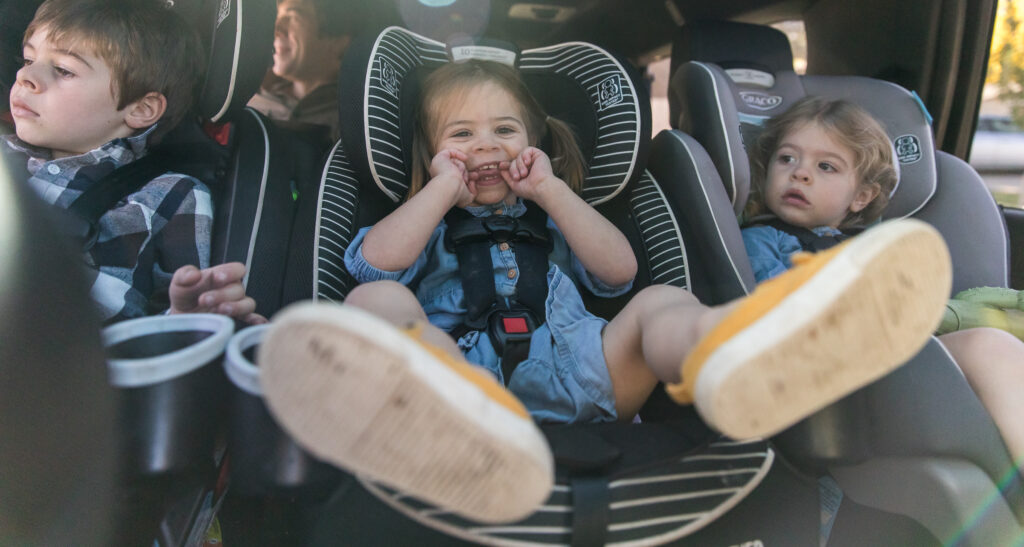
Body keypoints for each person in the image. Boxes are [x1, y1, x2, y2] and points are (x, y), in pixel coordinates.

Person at [259, 61, 951, 523]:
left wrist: (551, 190)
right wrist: (440, 187)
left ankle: (728, 358)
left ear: (535, 145)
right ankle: (452, 427)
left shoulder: (552, 210)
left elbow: (619, 273)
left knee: (655, 308)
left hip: (586, 371)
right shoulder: (422, 221)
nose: (486, 147)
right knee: (373, 307)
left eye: (505, 131)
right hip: (464, 382)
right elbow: (375, 268)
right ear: (433, 152)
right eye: (461, 136)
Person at [742, 95, 1024, 466]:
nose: (800, 173)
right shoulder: (763, 240)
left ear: (861, 196)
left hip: (899, 359)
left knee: (993, 346)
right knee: (987, 346)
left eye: (826, 166)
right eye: (787, 158)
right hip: (842, 375)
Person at [3, 0, 263, 325]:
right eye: (28, 59)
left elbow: (169, 319)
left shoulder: (170, 195)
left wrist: (186, 316)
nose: (26, 77)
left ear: (141, 109)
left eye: (64, 70)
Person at [247, 0, 368, 141]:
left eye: (291, 17)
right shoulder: (248, 96)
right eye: (277, 17)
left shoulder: (356, 122)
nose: (276, 29)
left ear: (338, 42)